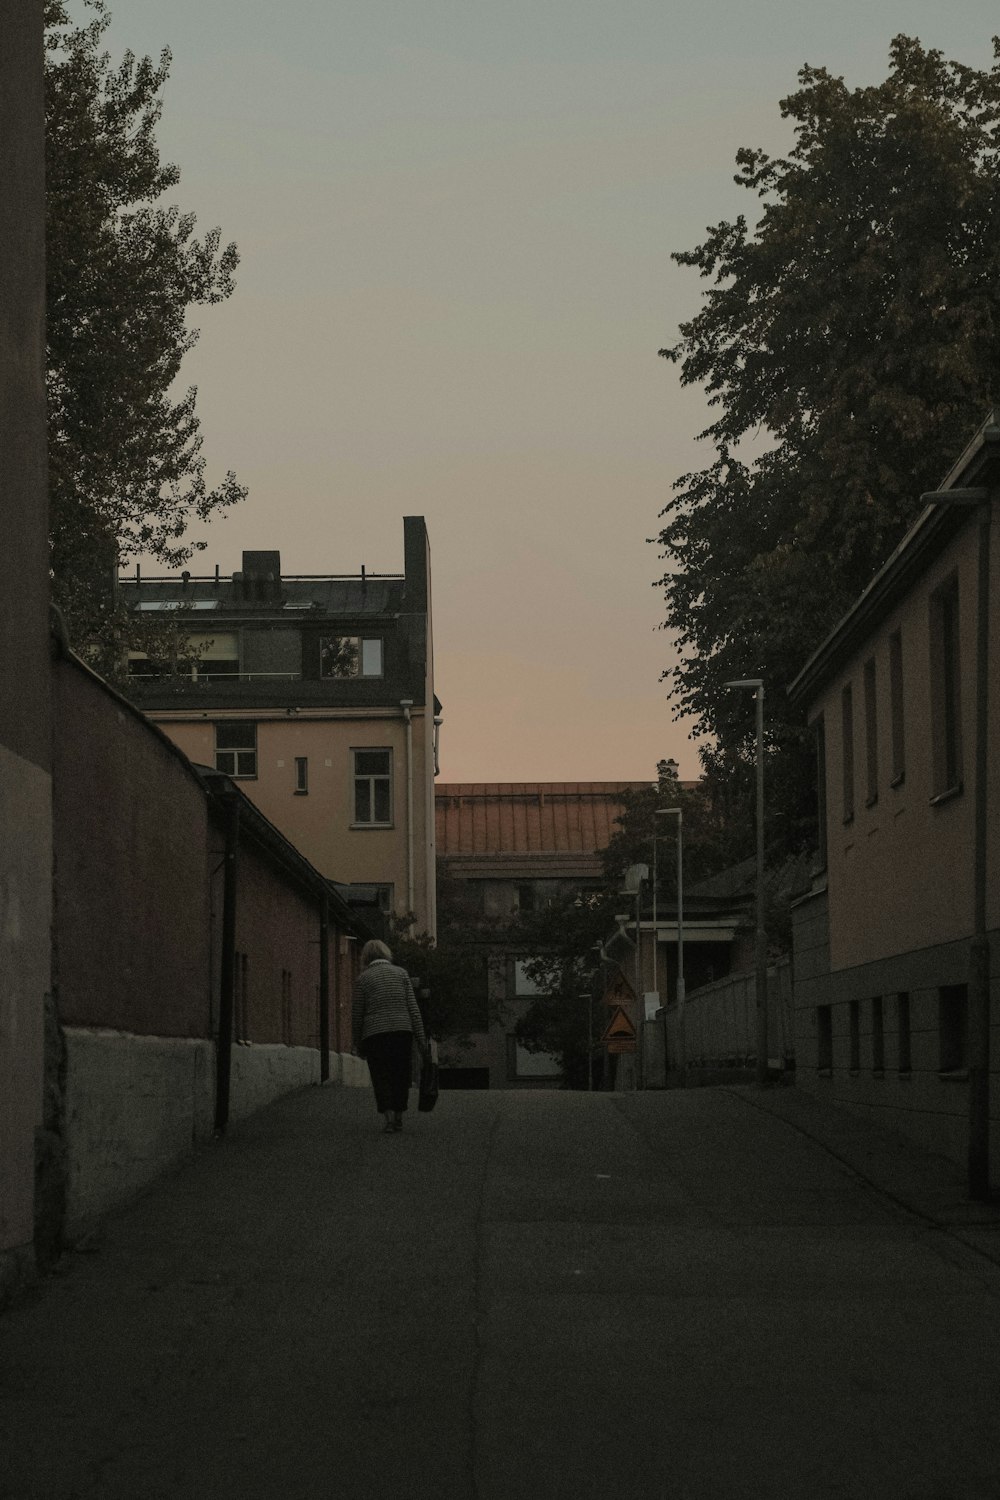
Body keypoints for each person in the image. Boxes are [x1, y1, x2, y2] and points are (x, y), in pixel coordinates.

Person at [352, 939, 427, 1133]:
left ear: (366, 957)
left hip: (374, 1034)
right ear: (386, 954)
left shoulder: (363, 979)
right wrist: (420, 1038)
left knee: (381, 1076)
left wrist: (357, 1043)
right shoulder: (401, 974)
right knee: (400, 1074)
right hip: (402, 1032)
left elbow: (357, 1014)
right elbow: (413, 1008)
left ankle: (388, 1119)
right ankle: (400, 1115)